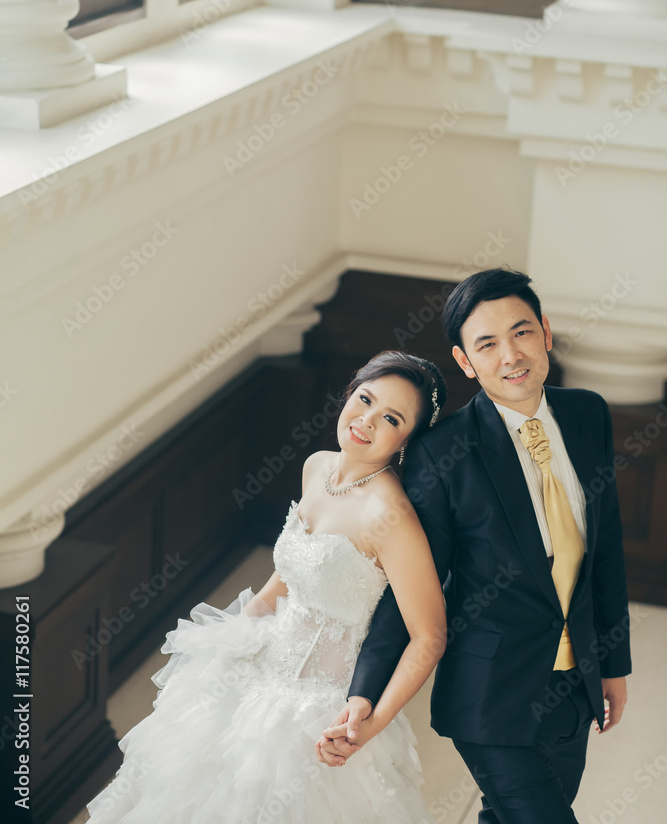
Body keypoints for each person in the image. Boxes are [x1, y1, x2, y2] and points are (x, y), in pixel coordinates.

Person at [319, 268, 631, 824]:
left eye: (522, 333)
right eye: (487, 344)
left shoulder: (588, 415)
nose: (511, 355)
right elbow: (412, 586)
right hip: (490, 698)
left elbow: (605, 549)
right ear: (466, 362)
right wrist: (364, 695)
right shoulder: (443, 454)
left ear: (546, 333)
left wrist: (613, 663)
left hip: (574, 686)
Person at [85, 350, 448, 824]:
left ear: (407, 439)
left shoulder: (390, 515)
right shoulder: (318, 467)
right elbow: (291, 574)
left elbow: (429, 637)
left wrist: (372, 724)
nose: (366, 420)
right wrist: (233, 634)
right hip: (257, 665)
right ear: (349, 392)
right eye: (364, 399)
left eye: (391, 418)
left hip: (317, 707)